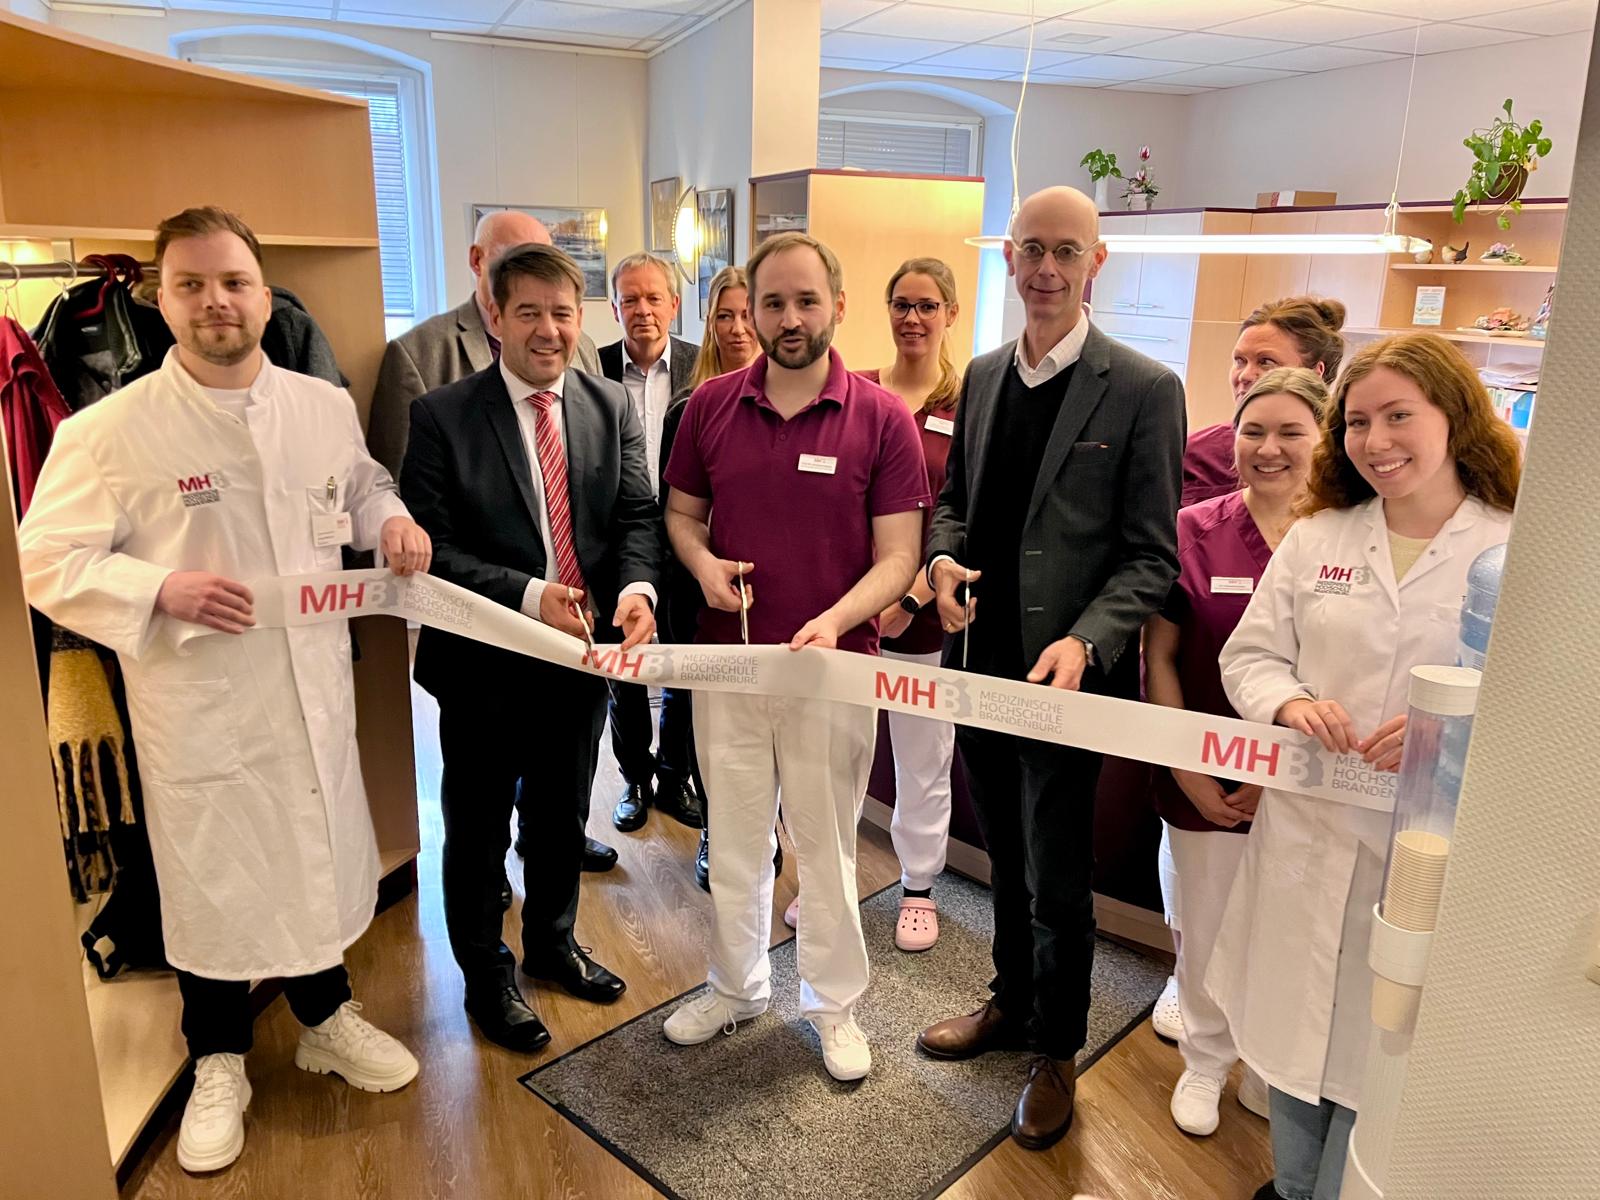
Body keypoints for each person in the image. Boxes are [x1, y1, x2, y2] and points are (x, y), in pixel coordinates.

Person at [18, 206, 431, 1174]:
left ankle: (325, 1018)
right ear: (159, 302)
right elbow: (43, 557)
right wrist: (157, 588)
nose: (217, 302)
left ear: (264, 296)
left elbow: (360, 485)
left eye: (234, 282)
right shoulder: (108, 431)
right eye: (192, 285)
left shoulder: (317, 405)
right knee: (216, 876)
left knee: (315, 856)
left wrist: (392, 517)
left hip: (313, 692)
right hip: (202, 705)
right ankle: (216, 1055)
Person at [1212, 332, 1520, 1200]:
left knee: (1382, 1048)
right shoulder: (1319, 536)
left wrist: (1451, 728)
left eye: (1398, 417)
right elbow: (1250, 657)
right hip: (1306, 834)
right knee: (1294, 1034)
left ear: (1454, 417)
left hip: (1421, 853)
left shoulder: (1508, 552)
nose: (1375, 440)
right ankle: (1292, 1188)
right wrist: (1289, 703)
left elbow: (1538, 702)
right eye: (1355, 422)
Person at [916, 186, 1186, 1151]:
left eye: (1066, 251)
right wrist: (941, 566)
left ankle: (1057, 1048)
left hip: (1069, 683)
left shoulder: (1145, 388)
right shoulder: (985, 375)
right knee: (1005, 856)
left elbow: (1151, 556)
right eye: (1031, 248)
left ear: (1096, 263)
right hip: (980, 665)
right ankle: (1012, 1002)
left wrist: (1088, 638)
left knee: (1059, 875)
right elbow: (954, 505)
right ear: (1008, 256)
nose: (1045, 268)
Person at [659, 232, 928, 1082]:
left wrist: (837, 619)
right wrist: (702, 566)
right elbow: (681, 516)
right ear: (752, 311)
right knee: (735, 841)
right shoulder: (709, 406)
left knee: (828, 847)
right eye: (772, 303)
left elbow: (900, 556)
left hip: (831, 671)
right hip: (729, 666)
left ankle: (833, 1006)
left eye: (806, 301)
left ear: (837, 307)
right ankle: (735, 987)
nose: (789, 318)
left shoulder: (881, 417)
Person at [400, 243, 660, 1053]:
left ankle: (552, 945)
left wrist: (636, 590)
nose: (548, 330)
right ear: (495, 316)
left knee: (559, 817)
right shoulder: (442, 415)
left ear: (580, 319)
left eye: (562, 313)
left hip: (579, 660)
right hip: (482, 663)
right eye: (529, 313)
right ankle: (487, 976)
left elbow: (637, 515)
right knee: (478, 832)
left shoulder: (608, 404)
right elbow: (432, 548)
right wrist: (526, 595)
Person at [1145, 367, 1329, 1137]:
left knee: (1290, 933)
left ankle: (1265, 1061)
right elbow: (1159, 657)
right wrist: (1186, 768)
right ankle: (1206, 1058)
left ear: (1323, 439)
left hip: (1307, 782)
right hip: (1204, 779)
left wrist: (1279, 775)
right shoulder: (1192, 529)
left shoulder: (1344, 540)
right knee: (1208, 923)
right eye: (1254, 430)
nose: (1268, 447)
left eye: (1290, 432)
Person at [860, 257, 963, 952]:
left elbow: (967, 512)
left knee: (923, 756)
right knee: (841, 751)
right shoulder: (860, 392)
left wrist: (909, 597)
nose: (913, 318)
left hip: (922, 617)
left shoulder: (969, 403)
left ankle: (919, 887)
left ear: (950, 313)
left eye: (927, 306)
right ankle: (830, 875)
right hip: (851, 613)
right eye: (901, 304)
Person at [659, 265, 761, 892]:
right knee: (710, 723)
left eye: (748, 313)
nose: (739, 327)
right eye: (725, 315)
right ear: (710, 324)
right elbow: (674, 512)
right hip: (699, 594)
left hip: (767, 596)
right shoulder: (689, 409)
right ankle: (715, 832)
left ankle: (763, 830)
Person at [368, 209, 602, 479]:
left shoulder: (582, 348)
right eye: (515, 259)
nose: (533, 274)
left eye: (543, 259)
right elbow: (394, 480)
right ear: (477, 260)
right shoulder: (417, 354)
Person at [598, 252, 700, 834]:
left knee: (684, 666)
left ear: (674, 304)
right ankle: (634, 778)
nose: (642, 310)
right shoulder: (592, 369)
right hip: (618, 543)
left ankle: (674, 775)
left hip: (687, 538)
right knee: (626, 669)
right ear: (614, 308)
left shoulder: (700, 366)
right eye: (630, 299)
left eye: (653, 297)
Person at [1181, 297, 1347, 507]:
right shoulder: (1196, 455)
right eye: (1240, 361)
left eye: (1266, 362)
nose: (1245, 375)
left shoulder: (1348, 460)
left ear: (1315, 373)